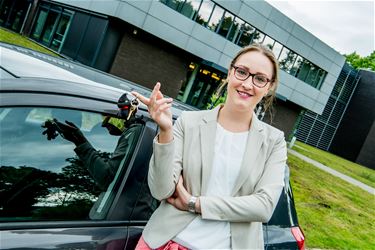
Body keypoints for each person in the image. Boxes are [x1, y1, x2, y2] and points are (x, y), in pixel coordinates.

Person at [132, 44, 287, 250]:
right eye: (242, 72)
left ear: (269, 87)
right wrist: (166, 131)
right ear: (230, 73)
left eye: (259, 78)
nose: (248, 84)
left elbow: (263, 207)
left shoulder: (274, 141)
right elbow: (161, 190)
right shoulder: (189, 122)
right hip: (166, 243)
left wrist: (195, 203)